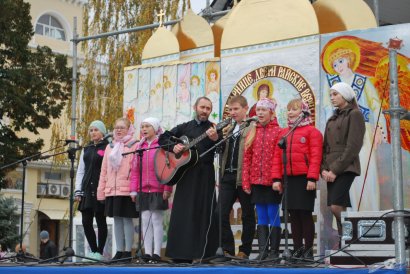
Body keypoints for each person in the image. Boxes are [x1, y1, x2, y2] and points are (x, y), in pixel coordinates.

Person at [324, 46, 386, 211]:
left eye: (341, 61)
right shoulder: (331, 85)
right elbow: (325, 110)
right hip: (339, 134)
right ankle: (348, 218)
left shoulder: (362, 81)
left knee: (365, 172)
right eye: (335, 64)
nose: (339, 66)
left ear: (349, 59)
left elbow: (375, 105)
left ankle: (368, 212)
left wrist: (379, 128)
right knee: (344, 174)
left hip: (363, 132)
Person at [158, 97, 220, 263]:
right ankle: (180, 255)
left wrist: (216, 139)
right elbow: (163, 138)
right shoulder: (184, 127)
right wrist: (173, 147)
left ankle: (205, 255)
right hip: (185, 175)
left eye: (208, 108)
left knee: (204, 214)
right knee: (183, 214)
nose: (204, 111)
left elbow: (221, 147)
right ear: (195, 107)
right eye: (202, 107)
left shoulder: (214, 129)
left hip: (205, 175)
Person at [271, 99, 323, 261]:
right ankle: (296, 248)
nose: (291, 112)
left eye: (295, 109)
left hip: (305, 179)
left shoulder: (312, 132)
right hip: (289, 180)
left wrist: (312, 178)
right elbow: (277, 158)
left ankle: (308, 250)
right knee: (293, 214)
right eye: (289, 109)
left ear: (304, 111)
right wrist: (276, 179)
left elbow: (316, 157)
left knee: (305, 214)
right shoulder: (284, 133)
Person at [321, 82, 365, 243]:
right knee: (339, 207)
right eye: (331, 94)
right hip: (330, 168)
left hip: (346, 167)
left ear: (345, 95)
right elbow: (325, 146)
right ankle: (345, 244)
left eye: (335, 94)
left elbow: (353, 146)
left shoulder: (355, 114)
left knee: (336, 206)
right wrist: (323, 169)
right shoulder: (332, 118)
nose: (332, 97)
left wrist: (334, 170)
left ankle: (350, 236)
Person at [242, 98, 282, 261]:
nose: (260, 113)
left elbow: (279, 158)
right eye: (258, 110)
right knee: (261, 215)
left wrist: (277, 179)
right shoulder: (253, 131)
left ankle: (274, 252)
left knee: (273, 214)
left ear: (271, 113)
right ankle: (263, 251)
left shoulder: (279, 131)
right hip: (256, 181)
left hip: (272, 182)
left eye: (264, 110)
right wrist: (246, 180)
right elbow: (247, 158)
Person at [130, 117, 172, 261]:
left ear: (155, 128)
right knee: (145, 219)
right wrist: (133, 190)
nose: (144, 129)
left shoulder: (161, 145)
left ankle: (157, 253)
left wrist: (167, 187)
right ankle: (147, 252)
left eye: (148, 126)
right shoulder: (139, 147)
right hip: (143, 189)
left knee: (156, 219)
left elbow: (168, 167)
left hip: (158, 188)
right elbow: (135, 170)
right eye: (142, 127)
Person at [219, 95, 256, 259]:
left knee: (247, 215)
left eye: (236, 109)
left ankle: (244, 251)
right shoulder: (227, 129)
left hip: (244, 177)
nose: (233, 113)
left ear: (245, 108)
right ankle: (227, 249)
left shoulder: (252, 127)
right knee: (219, 213)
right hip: (228, 175)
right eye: (230, 110)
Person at [97, 118, 139, 261]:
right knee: (117, 220)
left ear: (129, 129)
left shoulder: (134, 145)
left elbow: (135, 169)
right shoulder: (110, 146)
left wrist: (135, 189)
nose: (119, 130)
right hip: (112, 189)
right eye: (116, 128)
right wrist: (101, 191)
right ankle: (119, 251)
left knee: (127, 220)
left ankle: (128, 251)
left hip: (126, 189)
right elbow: (104, 170)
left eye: (122, 127)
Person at [75, 120, 108, 261]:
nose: (93, 132)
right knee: (86, 221)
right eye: (91, 130)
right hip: (87, 188)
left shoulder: (107, 147)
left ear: (102, 132)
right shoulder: (86, 148)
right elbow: (80, 171)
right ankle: (93, 251)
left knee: (101, 220)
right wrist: (78, 190)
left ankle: (100, 252)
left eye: (96, 130)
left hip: (100, 187)